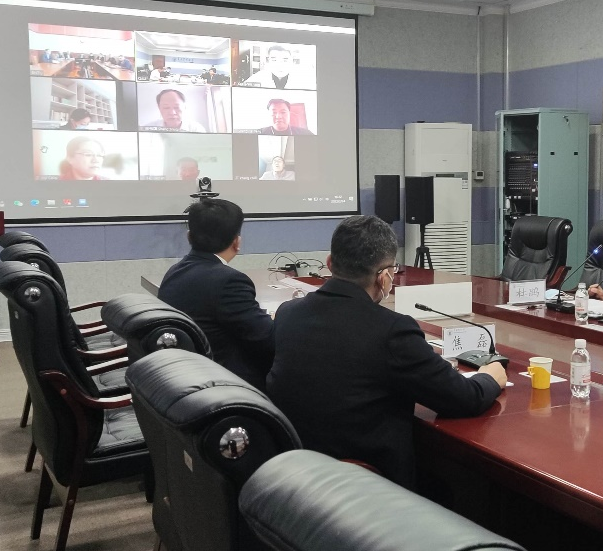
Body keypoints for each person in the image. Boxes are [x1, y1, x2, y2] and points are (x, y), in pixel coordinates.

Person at [266, 214, 506, 487]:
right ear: (384, 277)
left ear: (330, 263)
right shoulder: (392, 330)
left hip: (295, 476)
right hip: (367, 485)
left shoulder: (288, 313)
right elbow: (463, 398)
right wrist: (489, 376)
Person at [158, 198, 274, 390]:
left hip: (184, 376)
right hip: (226, 384)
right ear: (236, 241)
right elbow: (268, 339)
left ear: (189, 237)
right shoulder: (228, 281)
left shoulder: (175, 270)